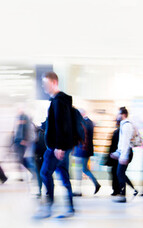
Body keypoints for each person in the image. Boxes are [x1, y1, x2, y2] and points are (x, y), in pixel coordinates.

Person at [33, 72, 78, 219]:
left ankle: (48, 207)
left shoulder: (58, 101)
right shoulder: (60, 101)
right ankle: (70, 208)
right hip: (60, 146)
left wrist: (59, 146)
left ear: (53, 82)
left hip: (56, 147)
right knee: (63, 175)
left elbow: (62, 124)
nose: (43, 87)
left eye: (45, 83)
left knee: (45, 173)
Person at [73, 109, 100, 196]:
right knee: (84, 169)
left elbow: (81, 136)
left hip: (81, 150)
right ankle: (95, 183)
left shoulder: (83, 123)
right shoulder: (90, 122)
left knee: (79, 170)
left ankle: (78, 190)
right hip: (85, 150)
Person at [112, 107, 136, 203]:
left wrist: (124, 156)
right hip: (123, 153)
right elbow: (122, 142)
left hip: (126, 153)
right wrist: (118, 152)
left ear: (123, 115)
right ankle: (127, 192)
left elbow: (126, 142)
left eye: (118, 114)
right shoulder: (123, 125)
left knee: (120, 173)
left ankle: (123, 195)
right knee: (120, 173)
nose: (117, 116)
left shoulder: (126, 125)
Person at [106, 119, 136, 197]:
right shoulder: (119, 131)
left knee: (120, 173)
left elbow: (123, 145)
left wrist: (122, 156)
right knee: (121, 173)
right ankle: (125, 190)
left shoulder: (121, 131)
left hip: (121, 156)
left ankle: (121, 192)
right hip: (120, 155)